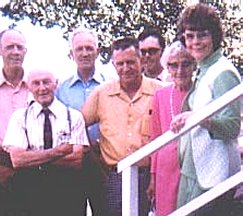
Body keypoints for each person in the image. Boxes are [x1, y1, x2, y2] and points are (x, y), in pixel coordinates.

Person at [170, 3, 241, 215]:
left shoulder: (222, 72)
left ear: (215, 36)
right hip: (195, 171)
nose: (195, 42)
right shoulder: (204, 69)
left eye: (202, 35)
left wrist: (200, 118)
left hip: (212, 174)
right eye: (190, 36)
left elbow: (232, 126)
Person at [82, 37, 163, 216]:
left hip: (150, 176)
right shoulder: (102, 93)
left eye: (130, 62)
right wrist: (93, 153)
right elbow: (79, 125)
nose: (125, 68)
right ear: (113, 64)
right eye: (120, 64)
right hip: (114, 177)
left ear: (141, 60)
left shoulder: (160, 91)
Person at [3, 69, 89, 216]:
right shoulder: (19, 117)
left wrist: (33, 156)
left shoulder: (74, 117)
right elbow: (17, 160)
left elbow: (76, 159)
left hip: (67, 189)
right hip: (29, 190)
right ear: (29, 88)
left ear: (55, 84)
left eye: (46, 82)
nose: (42, 88)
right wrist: (60, 151)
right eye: (36, 84)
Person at [55, 27, 108, 216]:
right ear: (71, 54)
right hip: (73, 165)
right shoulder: (60, 90)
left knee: (106, 211)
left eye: (89, 48)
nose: (85, 53)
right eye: (79, 49)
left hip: (104, 162)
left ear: (98, 51)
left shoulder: (110, 84)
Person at [146, 41, 196, 216]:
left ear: (194, 64)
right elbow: (155, 137)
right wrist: (152, 177)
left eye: (186, 64)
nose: (180, 71)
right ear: (167, 67)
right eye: (174, 65)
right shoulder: (160, 95)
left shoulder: (200, 90)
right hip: (166, 168)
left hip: (193, 162)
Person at [0, 28, 29, 215]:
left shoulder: (38, 85)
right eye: (10, 47)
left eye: (20, 47)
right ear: (1, 50)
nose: (16, 51)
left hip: (34, 166)